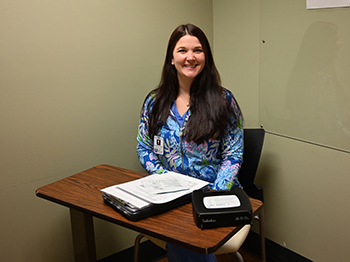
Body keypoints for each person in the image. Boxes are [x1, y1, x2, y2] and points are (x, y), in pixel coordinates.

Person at [136, 24, 243, 262]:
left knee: (185, 234)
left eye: (198, 50)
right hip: (170, 194)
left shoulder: (224, 101)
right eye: (182, 50)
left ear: (206, 56)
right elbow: (144, 147)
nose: (190, 57)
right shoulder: (155, 101)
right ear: (171, 58)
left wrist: (213, 195)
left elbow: (233, 156)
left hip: (216, 192)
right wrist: (165, 179)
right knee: (181, 230)